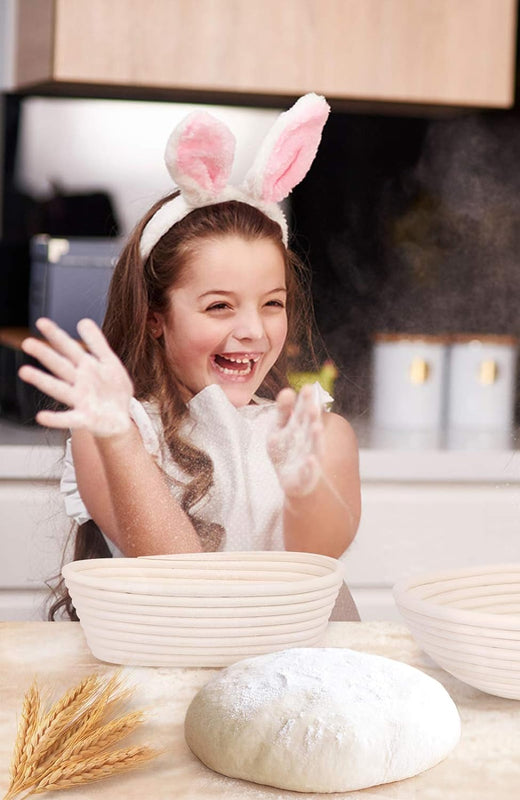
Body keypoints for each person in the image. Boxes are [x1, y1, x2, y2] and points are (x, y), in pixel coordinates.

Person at [18, 93, 362, 620]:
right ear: (156, 316)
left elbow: (316, 564)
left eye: (272, 304)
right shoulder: (113, 431)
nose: (251, 330)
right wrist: (117, 438)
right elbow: (178, 579)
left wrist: (303, 490)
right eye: (219, 306)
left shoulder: (319, 434)